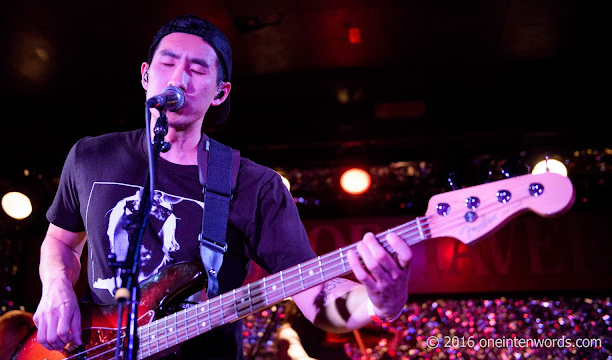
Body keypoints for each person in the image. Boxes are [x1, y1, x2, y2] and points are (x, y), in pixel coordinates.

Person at [32, 14, 412, 359]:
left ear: (220, 92)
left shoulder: (253, 184)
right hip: (90, 349)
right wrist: (55, 285)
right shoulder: (91, 155)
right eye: (167, 64)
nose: (179, 78)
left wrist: (380, 302)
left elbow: (316, 294)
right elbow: (61, 242)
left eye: (197, 69)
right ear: (146, 75)